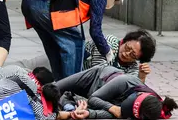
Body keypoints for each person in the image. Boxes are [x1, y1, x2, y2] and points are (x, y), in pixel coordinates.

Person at [21, 0, 127, 80]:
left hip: (30, 0)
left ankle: (60, 86)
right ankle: (72, 88)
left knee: (54, 45)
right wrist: (107, 51)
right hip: (43, 4)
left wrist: (85, 54)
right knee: (75, 42)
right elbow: (95, 31)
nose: (113, 4)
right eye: (115, 1)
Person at [10, 29, 156, 82]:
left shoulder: (131, 66)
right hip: (65, 61)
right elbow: (99, 72)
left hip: (71, 79)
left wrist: (141, 76)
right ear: (124, 40)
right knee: (25, 67)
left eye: (133, 55)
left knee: (26, 80)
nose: (126, 54)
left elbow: (132, 87)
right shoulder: (109, 42)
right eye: (128, 47)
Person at [55, 64, 178, 120]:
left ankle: (68, 103)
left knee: (69, 102)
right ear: (139, 94)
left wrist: (89, 114)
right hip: (95, 77)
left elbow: (119, 114)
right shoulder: (125, 81)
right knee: (55, 89)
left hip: (101, 97)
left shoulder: (143, 110)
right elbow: (94, 99)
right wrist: (112, 107)